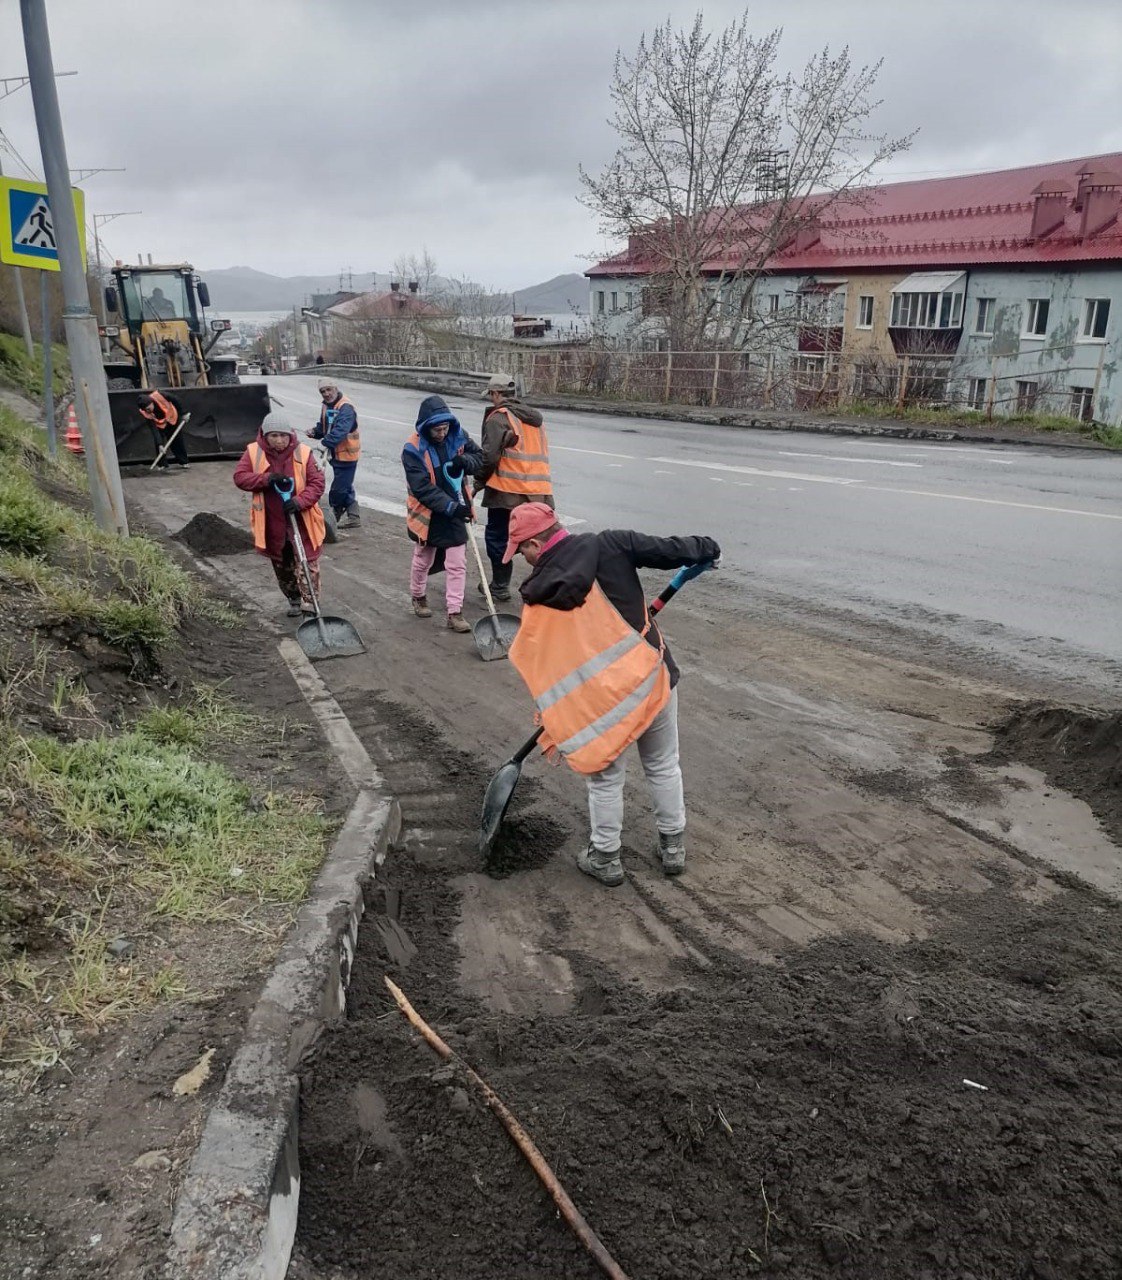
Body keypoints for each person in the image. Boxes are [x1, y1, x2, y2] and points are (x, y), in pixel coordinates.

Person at [505, 503, 720, 887]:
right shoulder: (613, 545)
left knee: (605, 781)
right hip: (652, 682)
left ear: (536, 544)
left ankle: (605, 856)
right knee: (663, 765)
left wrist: (558, 714)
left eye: (521, 550)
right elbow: (674, 550)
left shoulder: (537, 596)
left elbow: (545, 662)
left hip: (600, 707)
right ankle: (673, 849)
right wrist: (707, 547)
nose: (523, 559)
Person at [402, 395, 483, 633]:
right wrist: (450, 507)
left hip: (458, 508)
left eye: (445, 428)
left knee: (457, 563)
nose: (442, 434)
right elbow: (422, 488)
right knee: (423, 559)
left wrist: (464, 461)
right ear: (427, 427)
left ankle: (454, 612)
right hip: (428, 515)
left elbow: (479, 459)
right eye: (437, 430)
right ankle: (418, 595)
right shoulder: (412, 449)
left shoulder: (458, 435)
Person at [233, 412, 326, 617]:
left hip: (302, 520)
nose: (279, 440)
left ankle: (311, 606)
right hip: (272, 521)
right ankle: (293, 598)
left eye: (283, 435)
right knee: (282, 564)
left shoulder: (303, 452)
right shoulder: (254, 452)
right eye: (274, 435)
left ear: (290, 434)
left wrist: (299, 501)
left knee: (308, 563)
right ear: (265, 436)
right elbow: (240, 478)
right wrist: (267, 479)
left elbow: (317, 483)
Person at [474, 372, 552, 603]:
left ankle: (499, 586)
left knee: (498, 538)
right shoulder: (534, 420)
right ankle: (546, 588)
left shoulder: (499, 418)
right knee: (538, 542)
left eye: (491, 395)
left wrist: (477, 483)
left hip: (507, 492)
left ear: (497, 394)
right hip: (539, 492)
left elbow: (489, 457)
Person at [307, 379, 361, 529]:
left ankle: (332, 519)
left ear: (336, 388)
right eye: (322, 391)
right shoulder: (326, 405)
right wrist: (315, 432)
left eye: (329, 389)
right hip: (336, 454)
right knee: (345, 486)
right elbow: (326, 427)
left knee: (338, 489)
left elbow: (340, 431)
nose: (326, 393)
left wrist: (324, 443)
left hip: (347, 455)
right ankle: (354, 517)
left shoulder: (346, 407)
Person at [138, 390, 189, 469]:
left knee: (177, 441)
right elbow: (154, 429)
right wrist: (160, 444)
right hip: (160, 425)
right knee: (158, 444)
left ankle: (184, 462)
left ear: (151, 402)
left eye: (148, 408)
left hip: (172, 418)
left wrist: (184, 413)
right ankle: (162, 465)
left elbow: (176, 399)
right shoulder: (145, 413)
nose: (148, 411)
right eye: (146, 410)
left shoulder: (160, 395)